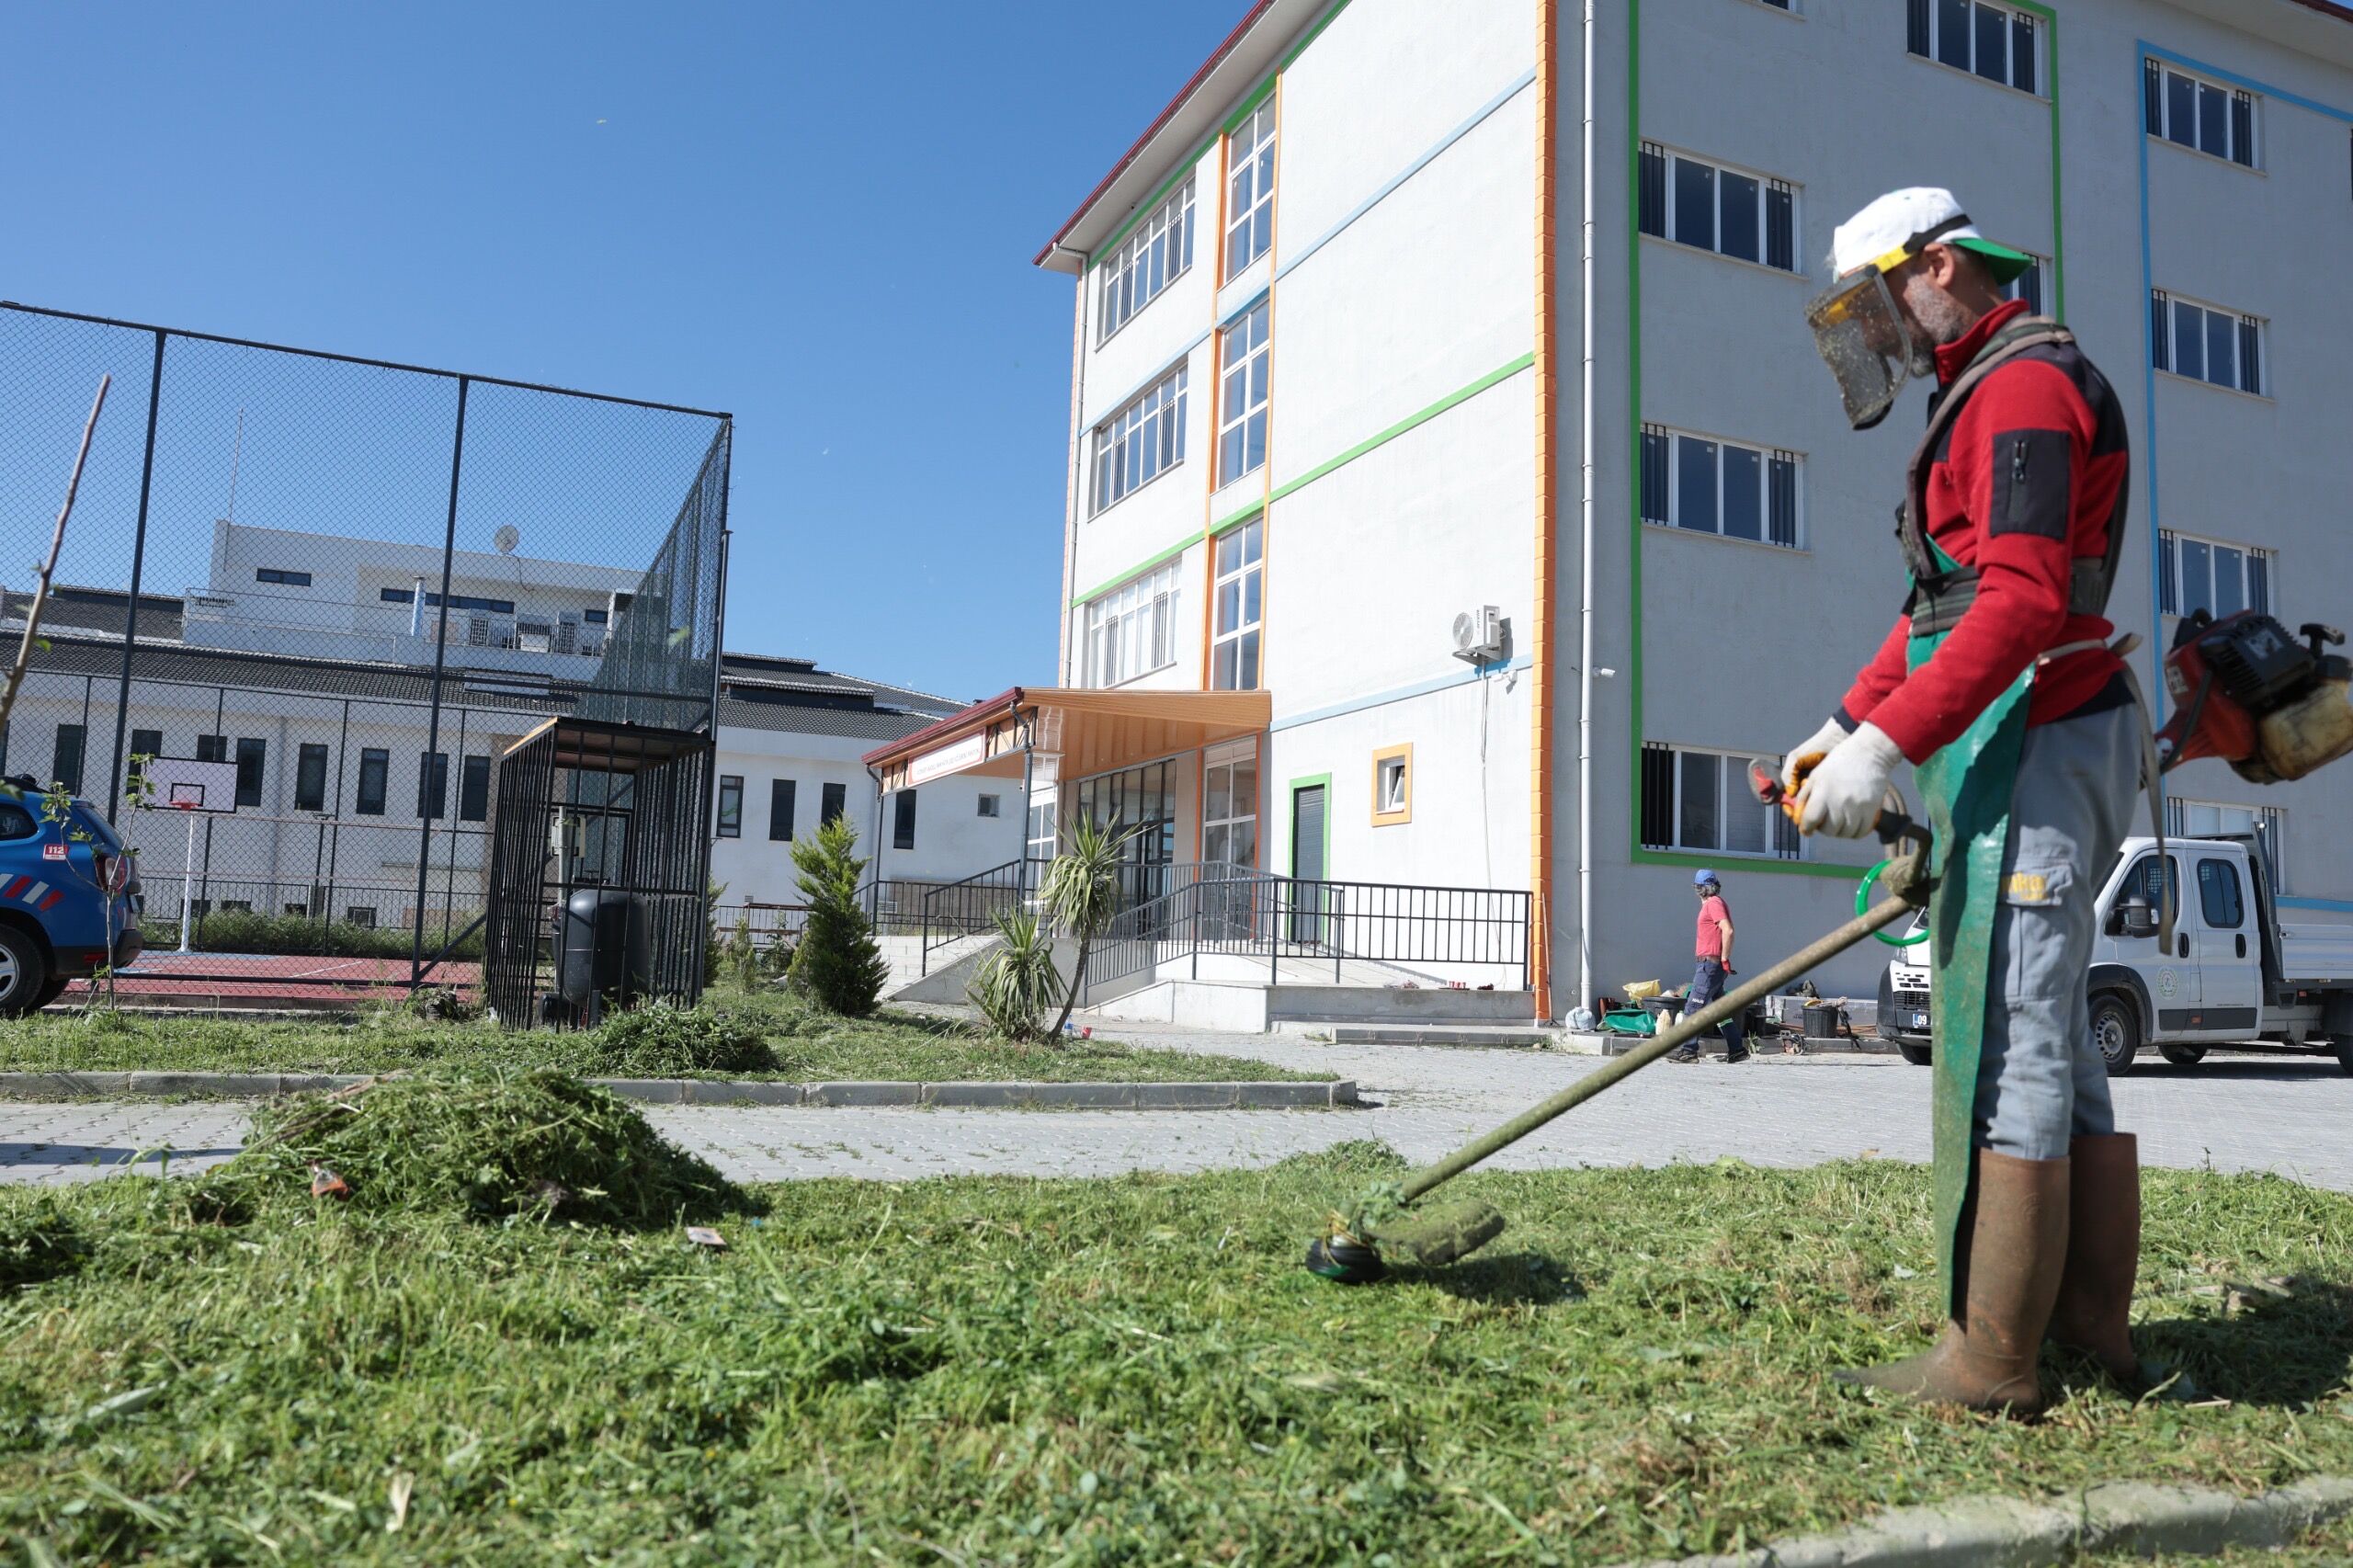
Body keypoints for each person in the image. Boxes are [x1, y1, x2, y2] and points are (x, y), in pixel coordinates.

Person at [1783, 187, 2176, 1415]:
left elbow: (2022, 600)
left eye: (1877, 304)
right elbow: (1942, 601)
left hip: (2049, 729)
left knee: (2014, 1033)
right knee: (2048, 1030)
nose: (1877, 335)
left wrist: (1887, 743)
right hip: (2037, 726)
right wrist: (1846, 722)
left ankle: (1994, 1364)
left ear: (1939, 267)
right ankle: (2086, 1324)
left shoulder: (2022, 389)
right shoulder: (1981, 387)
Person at [1666, 869, 1748, 1065]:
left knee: (1693, 1007)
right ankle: (1737, 1049)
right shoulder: (1715, 903)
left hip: (1709, 965)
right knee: (1719, 1011)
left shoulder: (1713, 904)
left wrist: (1724, 958)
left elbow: (1728, 930)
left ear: (1698, 888)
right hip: (1711, 965)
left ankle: (1688, 1051)